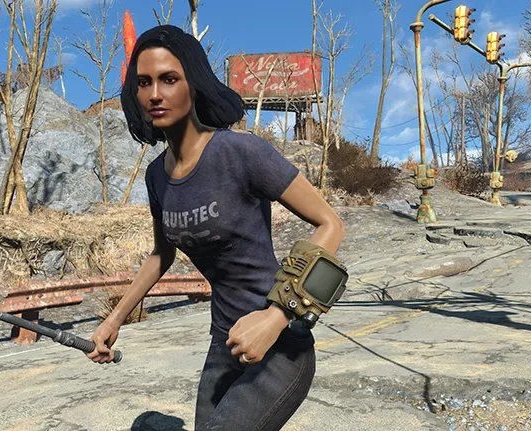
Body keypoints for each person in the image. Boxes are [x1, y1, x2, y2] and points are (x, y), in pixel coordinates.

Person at [86, 25, 345, 431]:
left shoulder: (241, 152)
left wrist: (275, 318)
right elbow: (161, 254)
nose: (155, 94)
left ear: (194, 83)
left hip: (280, 343)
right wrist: (114, 319)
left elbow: (331, 224)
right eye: (144, 82)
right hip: (224, 340)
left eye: (169, 79)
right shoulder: (157, 176)